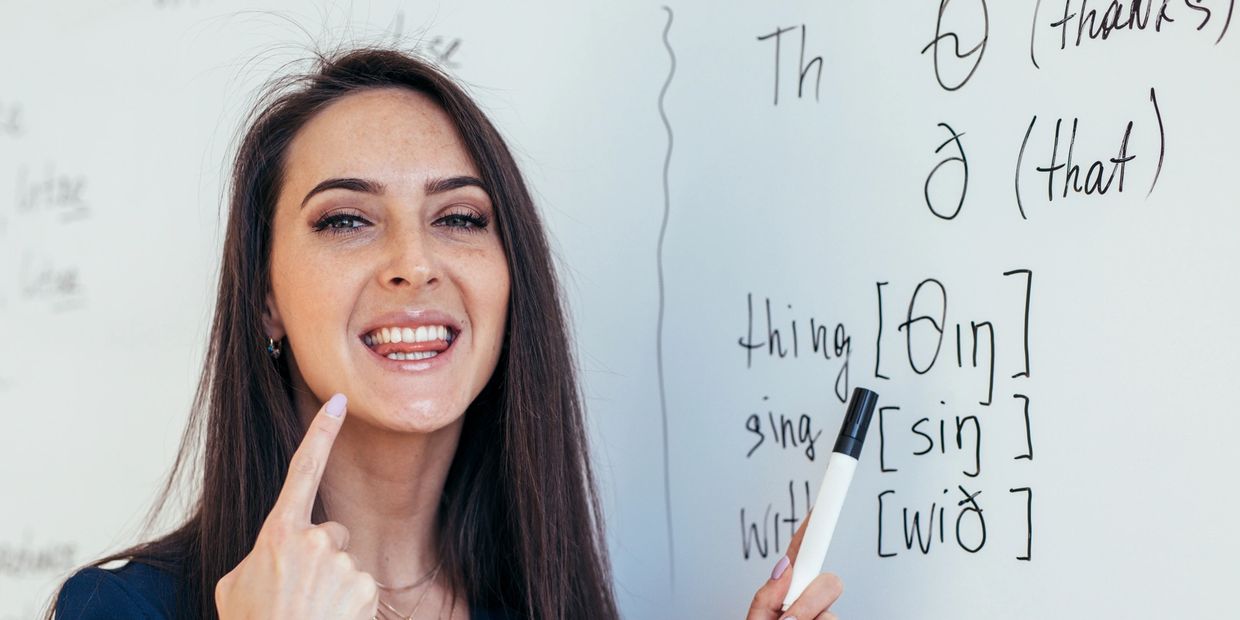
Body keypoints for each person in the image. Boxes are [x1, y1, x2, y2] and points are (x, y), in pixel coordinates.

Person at [49, 46, 843, 619]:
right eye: (347, 220)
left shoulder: (548, 603)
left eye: (459, 217)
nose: (414, 264)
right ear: (267, 302)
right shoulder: (120, 610)